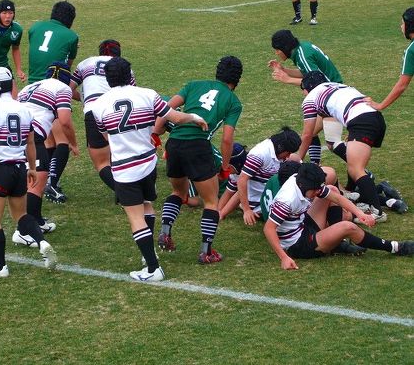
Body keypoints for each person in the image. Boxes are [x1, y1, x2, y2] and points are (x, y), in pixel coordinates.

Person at [91, 56, 210, 282]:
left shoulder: (98, 106)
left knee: (136, 218)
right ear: (130, 75)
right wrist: (194, 117)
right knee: (147, 206)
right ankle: (149, 255)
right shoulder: (147, 94)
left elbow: (105, 135)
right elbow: (174, 117)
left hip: (124, 168)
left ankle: (153, 268)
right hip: (147, 162)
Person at [154, 56, 243, 264]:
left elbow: (166, 109)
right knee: (211, 202)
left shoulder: (193, 85)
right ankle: (206, 251)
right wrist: (224, 166)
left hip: (174, 143)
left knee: (178, 192)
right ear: (237, 80)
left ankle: (166, 231)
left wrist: (157, 132)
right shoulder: (232, 101)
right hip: (198, 147)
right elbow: (227, 139)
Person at [0, 67, 57, 277]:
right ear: (11, 85)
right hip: (20, 168)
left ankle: (0, 267)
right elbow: (30, 142)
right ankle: (42, 242)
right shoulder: (24, 109)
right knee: (21, 215)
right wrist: (32, 168)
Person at [264, 163, 413, 271]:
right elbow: (269, 229)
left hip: (302, 225)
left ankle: (337, 243)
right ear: (303, 185)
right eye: (315, 190)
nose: (317, 192)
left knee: (332, 189)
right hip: (297, 245)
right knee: (348, 227)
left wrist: (360, 214)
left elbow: (336, 198)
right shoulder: (287, 200)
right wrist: (284, 257)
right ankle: (395, 247)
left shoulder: (301, 179)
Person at [296, 70, 388, 222]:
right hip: (376, 119)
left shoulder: (310, 99)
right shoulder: (335, 87)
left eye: (303, 91)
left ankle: (377, 213)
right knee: (350, 158)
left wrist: (298, 159)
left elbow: (307, 134)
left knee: (355, 168)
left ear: (307, 89)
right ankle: (356, 188)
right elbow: (318, 128)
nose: (304, 95)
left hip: (362, 122)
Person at [12, 61, 79, 246]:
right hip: (31, 137)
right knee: (37, 182)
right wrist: (73, 143)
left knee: (37, 178)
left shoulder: (30, 87)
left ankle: (38, 222)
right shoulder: (63, 89)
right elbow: (64, 121)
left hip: (16, 135)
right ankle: (23, 231)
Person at [28, 1, 79, 202]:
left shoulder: (35, 28)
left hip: (31, 90)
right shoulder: (71, 37)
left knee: (47, 140)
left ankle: (42, 180)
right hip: (51, 91)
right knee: (63, 142)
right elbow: (65, 68)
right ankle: (50, 183)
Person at [269, 29, 344, 165]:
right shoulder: (302, 49)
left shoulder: (302, 54)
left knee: (323, 139)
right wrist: (285, 70)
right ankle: (313, 165)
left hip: (332, 96)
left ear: (284, 48)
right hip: (332, 93)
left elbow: (316, 83)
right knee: (321, 137)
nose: (276, 53)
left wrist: (287, 79)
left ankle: (360, 171)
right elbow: (307, 73)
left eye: (277, 49)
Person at [69, 39, 133, 194]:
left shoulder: (85, 63)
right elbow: (132, 94)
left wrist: (86, 98)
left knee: (102, 162)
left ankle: (124, 193)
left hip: (94, 110)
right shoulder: (124, 67)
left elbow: (68, 89)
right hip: (119, 111)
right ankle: (131, 190)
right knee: (124, 154)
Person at [221, 127, 302, 225]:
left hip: (268, 196)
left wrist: (303, 165)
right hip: (262, 205)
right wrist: (246, 210)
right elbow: (241, 181)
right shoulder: (259, 155)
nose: (288, 156)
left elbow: (294, 157)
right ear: (281, 147)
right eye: (288, 152)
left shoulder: (276, 151)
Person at [366, 7, 414, 111]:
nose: (401, 26)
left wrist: (380, 105)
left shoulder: (411, 50)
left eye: (403, 23)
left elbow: (402, 85)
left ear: (409, 26)